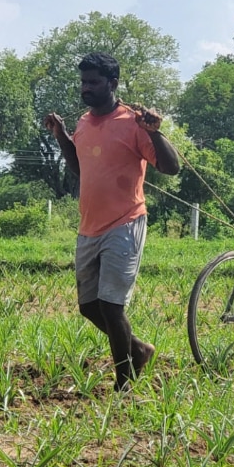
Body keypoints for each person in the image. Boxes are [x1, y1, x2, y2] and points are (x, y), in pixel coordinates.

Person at [44, 52, 180, 391]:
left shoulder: (132, 122)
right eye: (83, 82)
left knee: (110, 304)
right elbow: (80, 169)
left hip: (125, 222)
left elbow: (171, 167)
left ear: (112, 84)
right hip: (89, 226)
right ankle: (138, 349)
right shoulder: (84, 123)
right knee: (89, 307)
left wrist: (156, 133)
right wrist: (62, 135)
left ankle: (124, 384)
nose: (85, 88)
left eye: (93, 82)